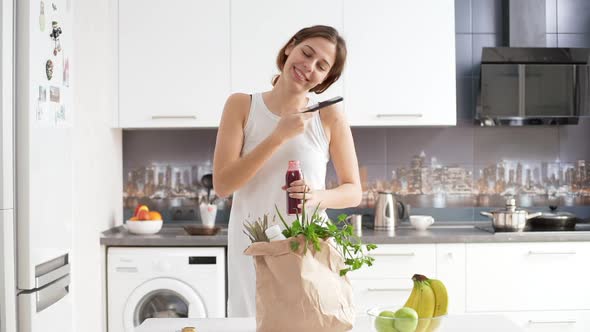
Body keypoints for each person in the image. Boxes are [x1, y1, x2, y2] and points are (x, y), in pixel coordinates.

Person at [212, 25, 362, 317]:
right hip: (251, 245)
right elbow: (223, 185)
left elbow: (353, 190)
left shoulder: (329, 116)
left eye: (321, 66)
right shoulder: (242, 105)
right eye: (306, 53)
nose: (308, 67)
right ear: (289, 47)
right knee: (252, 320)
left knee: (308, 320)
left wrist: (316, 197)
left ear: (325, 80)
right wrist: (279, 136)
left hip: (306, 245)